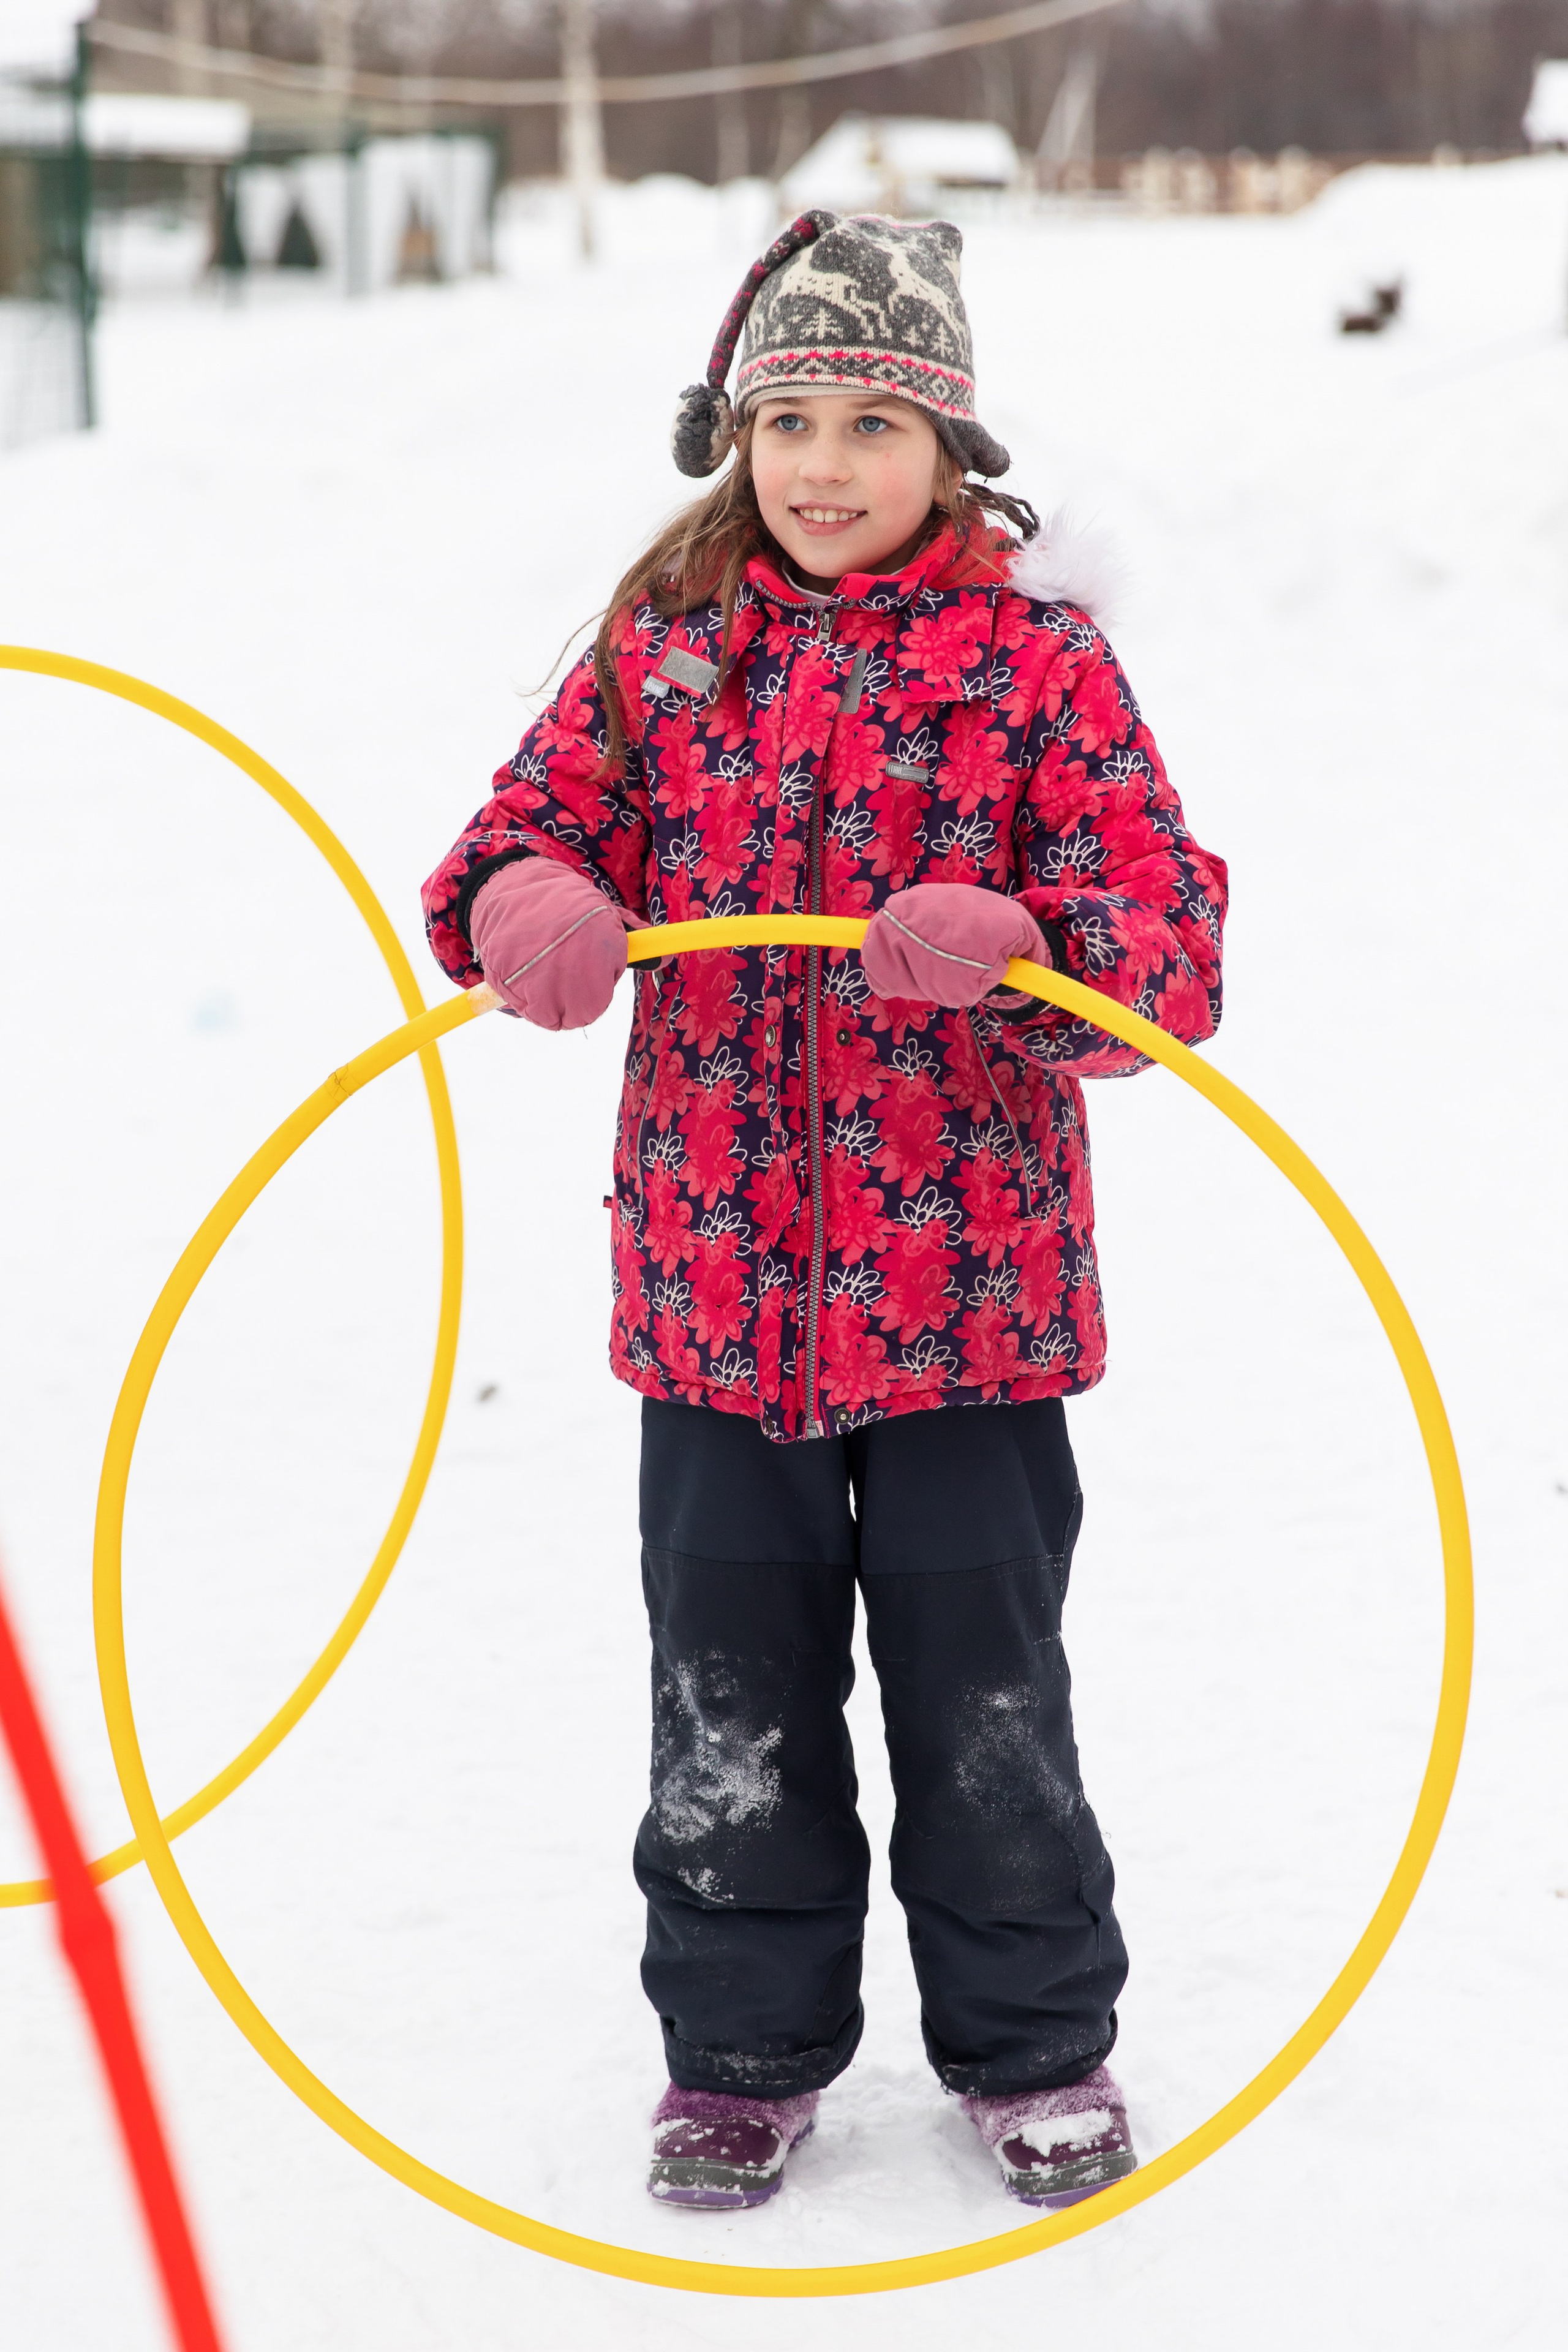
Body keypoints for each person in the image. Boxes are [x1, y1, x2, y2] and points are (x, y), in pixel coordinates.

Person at [422, 211, 1227, 2215]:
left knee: (987, 1692)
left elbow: (1171, 943)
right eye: (791, 413)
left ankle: (1036, 2037)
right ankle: (744, 2048)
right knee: (728, 1692)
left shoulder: (1035, 661)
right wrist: (529, 905)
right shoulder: (665, 647)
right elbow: (514, 837)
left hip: (970, 1309)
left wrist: (1037, 940)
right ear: (736, 428)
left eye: (876, 418)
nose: (826, 461)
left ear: (950, 446)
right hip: (715, 1299)